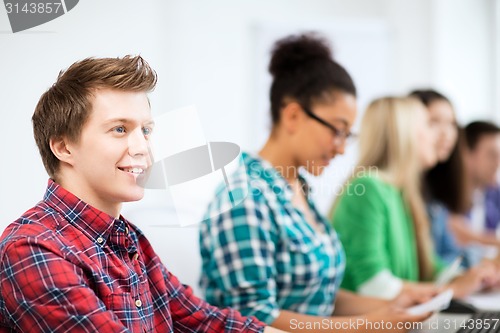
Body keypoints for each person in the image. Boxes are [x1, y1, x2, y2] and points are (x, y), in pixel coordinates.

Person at [0, 56, 286, 333]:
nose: (141, 148)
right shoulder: (32, 248)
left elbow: (203, 320)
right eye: (119, 129)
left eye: (146, 130)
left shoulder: (128, 238)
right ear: (63, 147)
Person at [199, 34, 430, 333]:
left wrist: (392, 308)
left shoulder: (297, 189)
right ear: (293, 115)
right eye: (337, 130)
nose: (342, 148)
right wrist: (363, 326)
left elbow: (319, 297)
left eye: (348, 135)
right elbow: (255, 319)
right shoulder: (244, 198)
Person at [331, 96, 498, 301]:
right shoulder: (368, 187)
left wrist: (471, 279)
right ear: (404, 133)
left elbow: (429, 268)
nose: (438, 137)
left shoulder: (401, 192)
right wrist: (452, 290)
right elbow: (374, 285)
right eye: (429, 125)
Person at [409, 89, 471, 266]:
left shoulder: (432, 187)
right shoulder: (387, 189)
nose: (447, 133)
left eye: (452, 123)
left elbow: (447, 252)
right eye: (433, 122)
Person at [451, 121, 500, 263]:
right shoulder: (447, 190)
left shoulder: (494, 194)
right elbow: (457, 232)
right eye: (492, 155)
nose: (498, 163)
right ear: (466, 154)